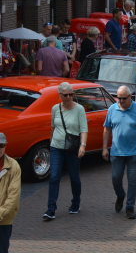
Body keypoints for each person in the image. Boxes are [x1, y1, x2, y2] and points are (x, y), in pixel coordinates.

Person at [102, 86, 136, 219]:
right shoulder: (112, 109)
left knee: (133, 180)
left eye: (124, 98)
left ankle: (130, 207)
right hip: (117, 151)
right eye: (119, 98)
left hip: (134, 152)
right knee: (115, 178)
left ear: (130, 97)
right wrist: (105, 147)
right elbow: (107, 129)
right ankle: (120, 195)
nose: (121, 101)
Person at [43, 82, 88, 220]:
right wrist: (51, 141)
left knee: (74, 177)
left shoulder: (79, 109)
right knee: (54, 176)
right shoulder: (55, 108)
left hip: (72, 148)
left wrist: (83, 145)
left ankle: (76, 202)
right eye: (66, 95)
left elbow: (84, 129)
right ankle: (51, 209)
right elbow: (53, 126)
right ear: (60, 96)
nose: (69, 97)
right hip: (56, 147)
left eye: (71, 94)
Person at [0, 133, 20, 253]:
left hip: (4, 220)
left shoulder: (14, 166)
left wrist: (1, 213)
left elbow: (14, 194)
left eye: (1, 145)